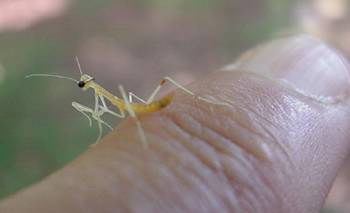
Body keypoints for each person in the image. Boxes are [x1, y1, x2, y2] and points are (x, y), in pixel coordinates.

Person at [1, 34, 349, 213]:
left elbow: (115, 107)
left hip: (151, 106)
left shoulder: (102, 94)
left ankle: (206, 101)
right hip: (142, 108)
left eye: (84, 83)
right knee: (120, 105)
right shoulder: (95, 94)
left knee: (131, 102)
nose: (84, 85)